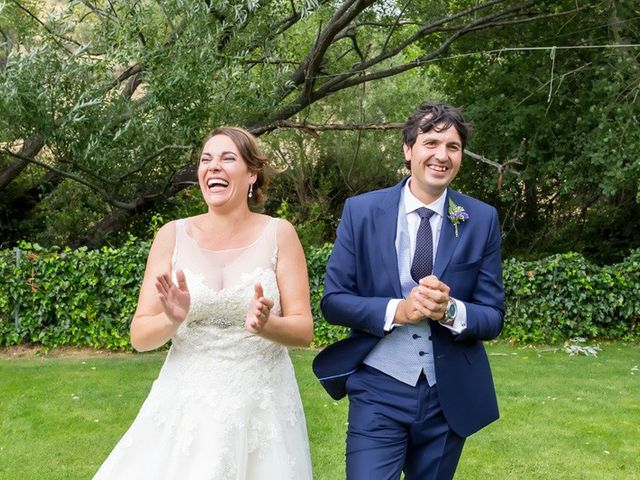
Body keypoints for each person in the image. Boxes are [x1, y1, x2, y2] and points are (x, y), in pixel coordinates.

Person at [94, 126, 314, 479]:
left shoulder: (280, 233)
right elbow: (139, 337)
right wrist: (172, 320)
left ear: (252, 174)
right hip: (186, 404)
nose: (214, 167)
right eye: (206, 159)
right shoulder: (172, 236)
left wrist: (266, 325)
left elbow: (304, 330)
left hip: (262, 402)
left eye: (228, 158)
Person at [312, 102, 504, 479]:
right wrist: (397, 311)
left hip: (447, 395)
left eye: (453, 146)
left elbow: (492, 315)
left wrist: (450, 310)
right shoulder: (361, 211)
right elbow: (334, 301)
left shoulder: (481, 219)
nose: (441, 155)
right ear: (408, 149)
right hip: (378, 388)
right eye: (430, 142)